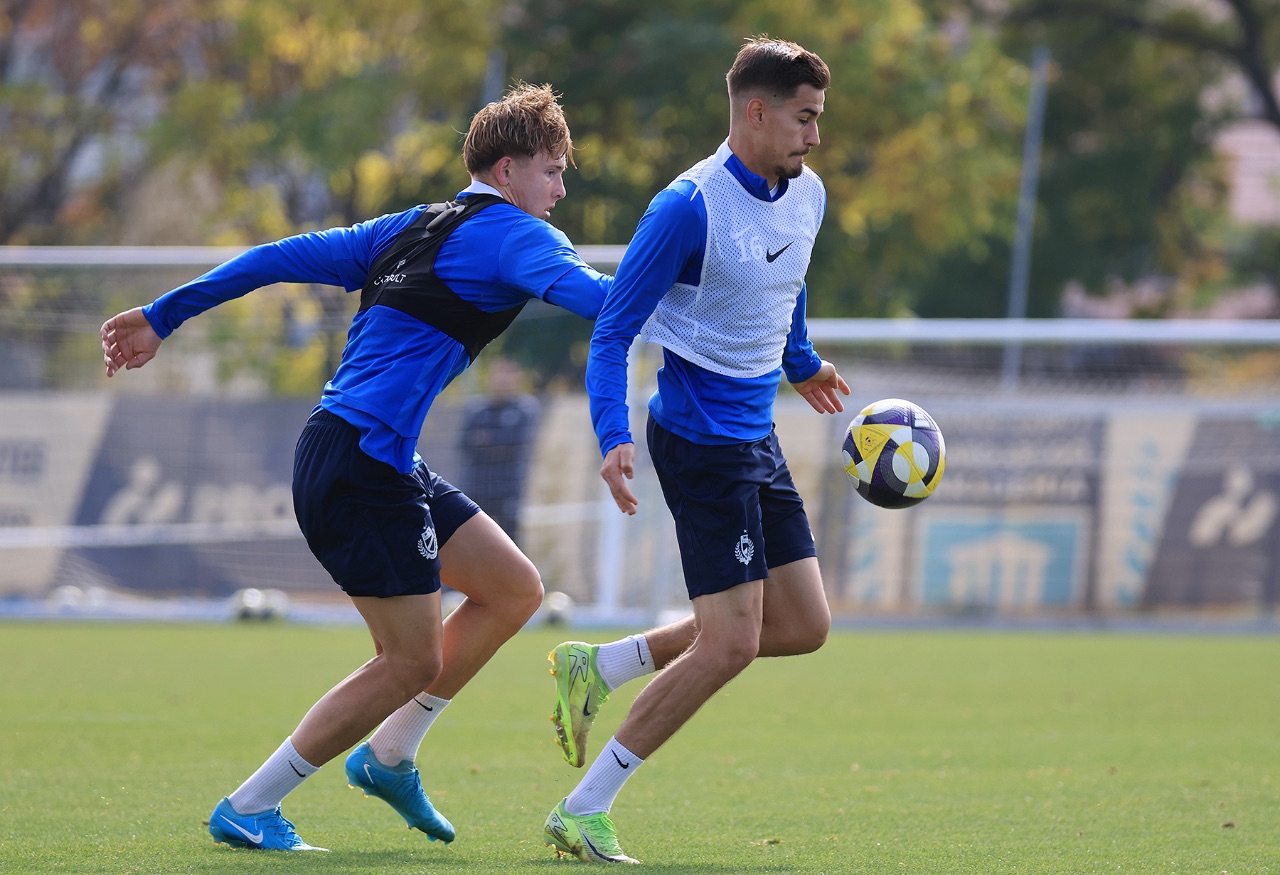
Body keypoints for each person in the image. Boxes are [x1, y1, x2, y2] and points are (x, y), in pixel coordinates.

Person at [100, 83, 612, 853]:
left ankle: (391, 754)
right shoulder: (515, 233)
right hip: (363, 464)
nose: (560, 190)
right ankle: (251, 803)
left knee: (513, 587)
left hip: (360, 452)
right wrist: (701, 282)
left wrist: (161, 314)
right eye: (552, 171)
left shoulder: (409, 224)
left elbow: (272, 259)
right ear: (507, 171)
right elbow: (603, 302)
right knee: (411, 659)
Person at [541, 37, 849, 864]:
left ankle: (604, 666)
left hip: (757, 437)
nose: (815, 136)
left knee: (804, 624)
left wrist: (801, 361)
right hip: (699, 442)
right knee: (731, 643)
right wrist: (612, 436)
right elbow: (613, 331)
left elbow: (787, 281)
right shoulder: (686, 208)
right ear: (758, 111)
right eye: (804, 118)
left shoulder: (808, 192)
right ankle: (583, 808)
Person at [457, 356, 541, 544]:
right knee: (473, 545)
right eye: (499, 372)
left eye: (509, 372)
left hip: (508, 491)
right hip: (477, 489)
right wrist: (497, 443)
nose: (503, 378)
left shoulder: (525, 410)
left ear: (518, 377)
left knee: (510, 545)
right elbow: (464, 445)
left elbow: (516, 447)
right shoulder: (476, 409)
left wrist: (487, 441)